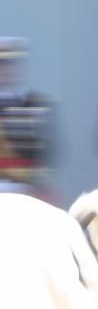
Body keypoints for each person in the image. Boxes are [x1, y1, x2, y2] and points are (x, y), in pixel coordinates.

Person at [0, 38, 54, 197]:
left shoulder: (39, 103)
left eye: (11, 65)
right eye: (2, 64)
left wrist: (34, 180)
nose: (5, 70)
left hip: (27, 189)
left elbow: (50, 149)